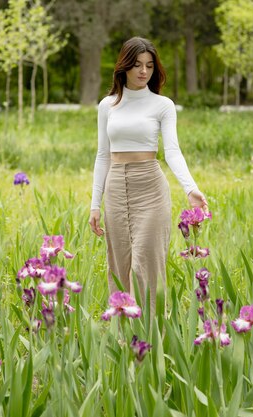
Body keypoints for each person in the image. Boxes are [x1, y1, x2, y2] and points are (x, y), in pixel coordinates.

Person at [89, 37, 208, 315]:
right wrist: (96, 204)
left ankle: (152, 334)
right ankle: (124, 337)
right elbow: (102, 155)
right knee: (119, 265)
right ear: (124, 67)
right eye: (137, 65)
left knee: (146, 263)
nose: (144, 71)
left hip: (151, 189)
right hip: (116, 187)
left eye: (150, 66)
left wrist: (191, 188)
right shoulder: (108, 105)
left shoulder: (162, 105)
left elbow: (173, 151)